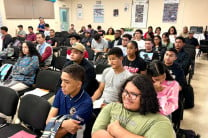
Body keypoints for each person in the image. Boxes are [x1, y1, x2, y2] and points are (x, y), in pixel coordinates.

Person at [92, 74, 175, 138]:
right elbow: (96, 134)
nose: (127, 97)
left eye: (133, 94)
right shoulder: (111, 107)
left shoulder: (160, 122)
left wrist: (119, 132)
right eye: (126, 92)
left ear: (146, 97)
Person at [46, 64, 93, 137]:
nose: (62, 85)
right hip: (57, 129)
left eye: (66, 82)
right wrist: (63, 123)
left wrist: (55, 123)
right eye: (62, 80)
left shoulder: (86, 104)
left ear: (78, 84)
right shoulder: (61, 91)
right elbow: (48, 121)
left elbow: (60, 133)